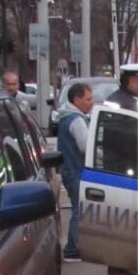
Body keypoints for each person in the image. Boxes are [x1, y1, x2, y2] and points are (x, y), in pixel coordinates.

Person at [101, 63, 138, 275]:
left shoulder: (120, 99)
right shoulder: (127, 103)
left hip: (120, 162)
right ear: (131, 81)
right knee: (128, 216)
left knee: (122, 216)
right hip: (124, 164)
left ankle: (117, 262)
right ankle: (125, 263)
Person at [55, 82, 94, 263]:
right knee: (79, 210)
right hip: (76, 170)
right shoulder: (77, 120)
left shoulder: (66, 117)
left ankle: (75, 245)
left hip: (69, 169)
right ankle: (73, 248)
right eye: (88, 99)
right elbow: (86, 147)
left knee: (78, 208)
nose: (91, 102)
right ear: (76, 99)